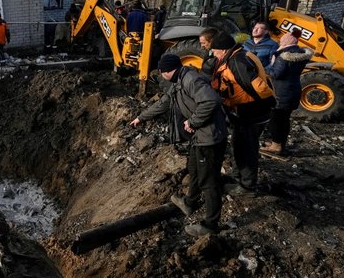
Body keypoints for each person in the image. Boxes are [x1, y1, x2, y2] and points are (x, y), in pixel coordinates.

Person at [130, 53, 228, 237]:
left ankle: (210, 225)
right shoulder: (178, 81)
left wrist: (193, 122)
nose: (160, 74)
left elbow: (211, 101)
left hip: (209, 137)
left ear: (167, 71)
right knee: (193, 167)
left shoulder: (191, 79)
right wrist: (141, 118)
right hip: (199, 137)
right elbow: (164, 103)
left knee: (209, 181)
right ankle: (189, 202)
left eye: (161, 71)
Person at [209, 31, 276, 194]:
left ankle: (247, 185)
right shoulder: (240, 54)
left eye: (214, 51)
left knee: (246, 148)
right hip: (245, 111)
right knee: (239, 144)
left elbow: (258, 87)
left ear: (223, 49)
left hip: (250, 112)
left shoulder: (237, 61)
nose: (213, 54)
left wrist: (265, 105)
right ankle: (240, 175)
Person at [262, 29, 313, 155]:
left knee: (276, 119)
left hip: (280, 92)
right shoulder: (300, 54)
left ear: (285, 41)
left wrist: (264, 71)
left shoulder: (284, 56)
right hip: (293, 89)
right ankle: (279, 143)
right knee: (284, 119)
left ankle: (276, 145)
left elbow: (276, 74)